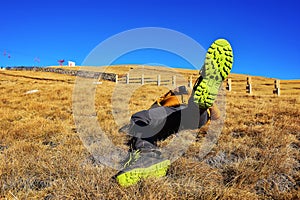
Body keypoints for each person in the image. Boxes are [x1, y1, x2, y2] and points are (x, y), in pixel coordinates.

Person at [113, 38, 234, 187]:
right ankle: (200, 101)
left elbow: (216, 116)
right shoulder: (170, 94)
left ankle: (148, 155)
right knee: (155, 119)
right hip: (183, 115)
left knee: (141, 119)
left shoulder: (183, 94)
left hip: (183, 111)